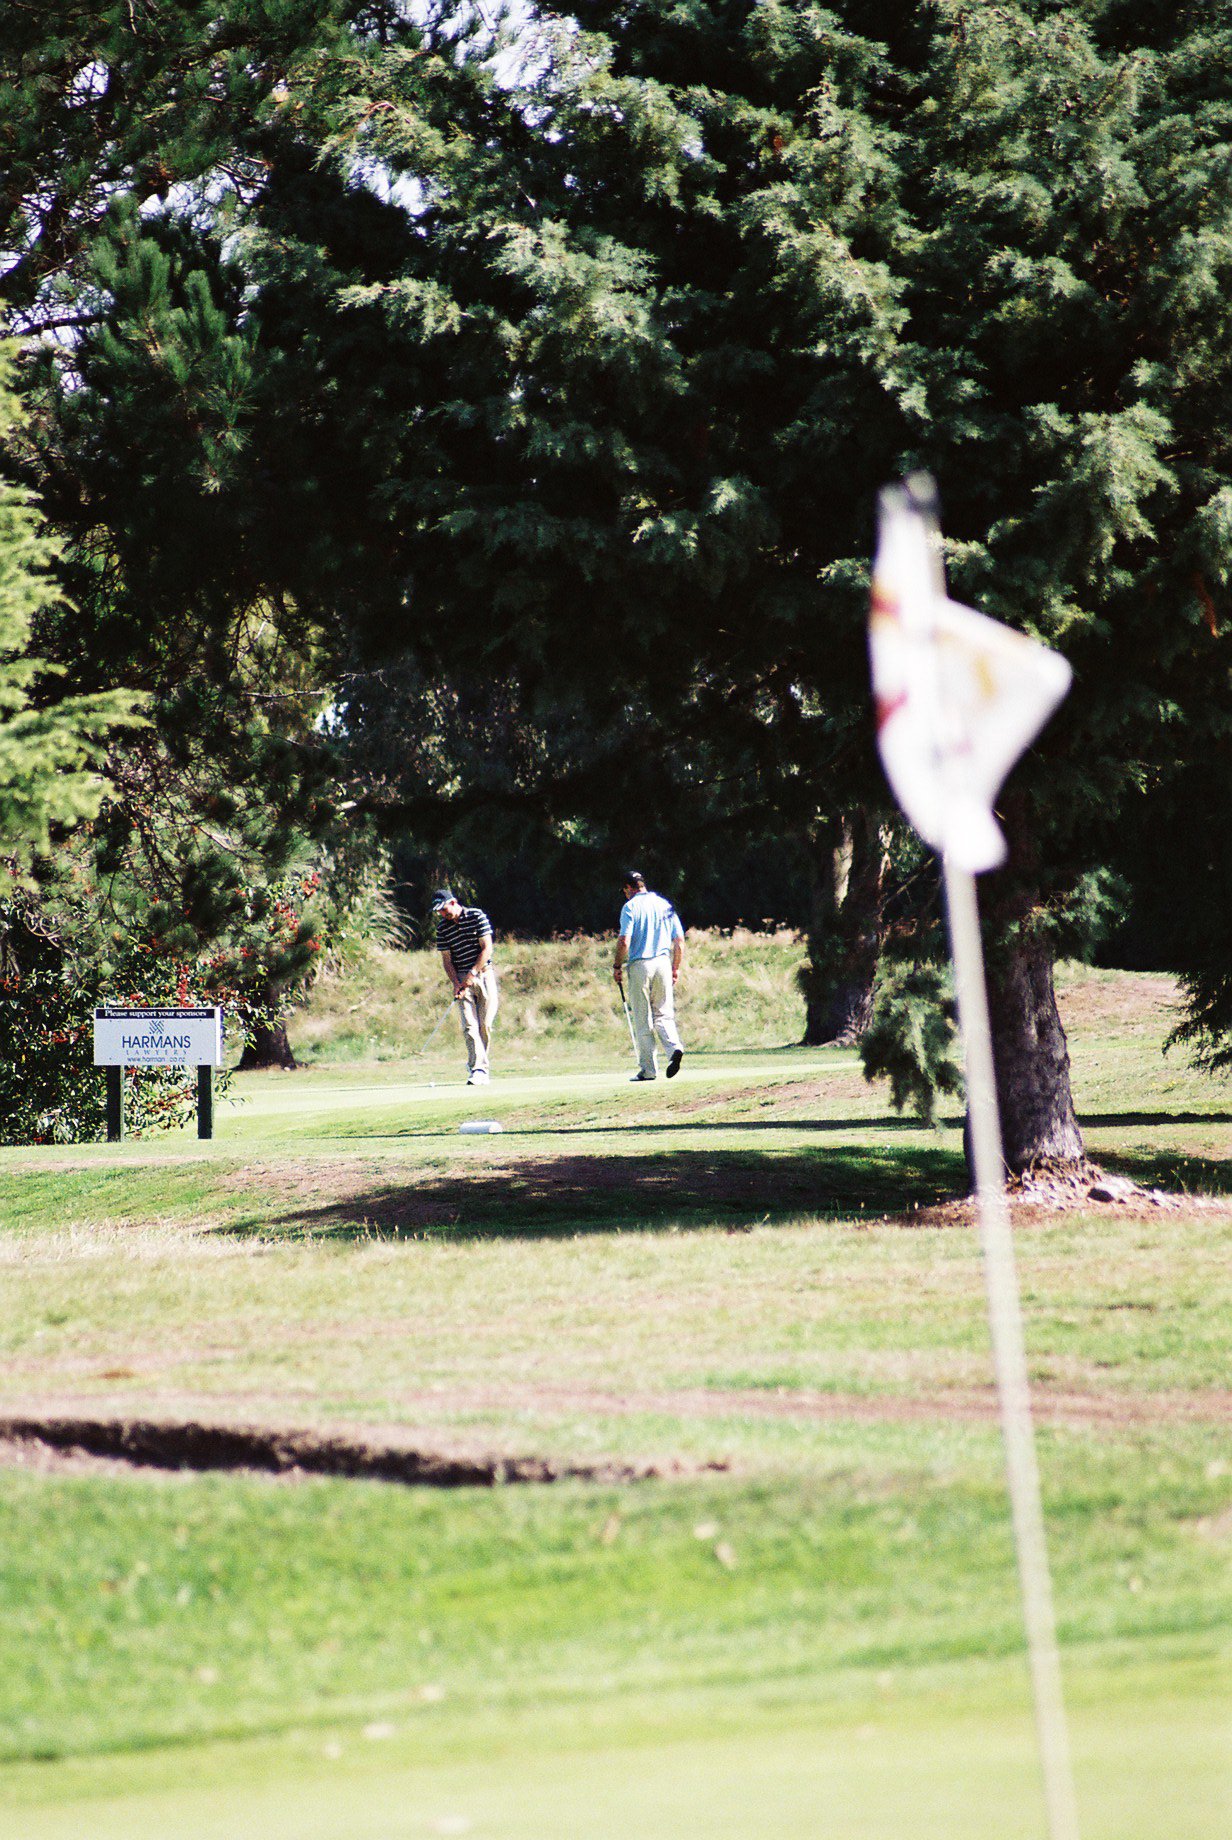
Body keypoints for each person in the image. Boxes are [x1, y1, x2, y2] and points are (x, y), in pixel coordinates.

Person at [612, 869, 685, 1082]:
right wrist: (676, 967)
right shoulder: (664, 905)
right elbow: (679, 941)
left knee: (643, 1018)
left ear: (629, 888)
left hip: (640, 965)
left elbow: (624, 940)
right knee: (663, 1013)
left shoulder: (630, 907)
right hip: (662, 963)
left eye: (625, 890)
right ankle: (674, 1049)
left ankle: (648, 1069)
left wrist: (617, 965)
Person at [433, 889, 499, 1085]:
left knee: (485, 1025)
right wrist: (455, 983)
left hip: (483, 974)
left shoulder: (476, 916)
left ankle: (479, 1066)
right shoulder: (442, 928)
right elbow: (447, 960)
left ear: (453, 902)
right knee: (469, 1026)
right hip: (461, 978)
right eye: (440, 912)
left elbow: (487, 948)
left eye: (444, 910)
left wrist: (473, 973)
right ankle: (477, 1068)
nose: (443, 914)